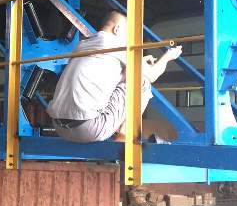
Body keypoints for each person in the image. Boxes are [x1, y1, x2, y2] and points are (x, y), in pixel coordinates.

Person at [46, 11, 182, 143]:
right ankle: (124, 137)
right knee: (143, 82)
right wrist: (168, 56)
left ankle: (118, 129)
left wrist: (141, 62)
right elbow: (152, 75)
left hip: (59, 126)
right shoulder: (117, 47)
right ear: (117, 29)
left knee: (129, 76)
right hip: (88, 129)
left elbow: (115, 72)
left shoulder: (83, 45)